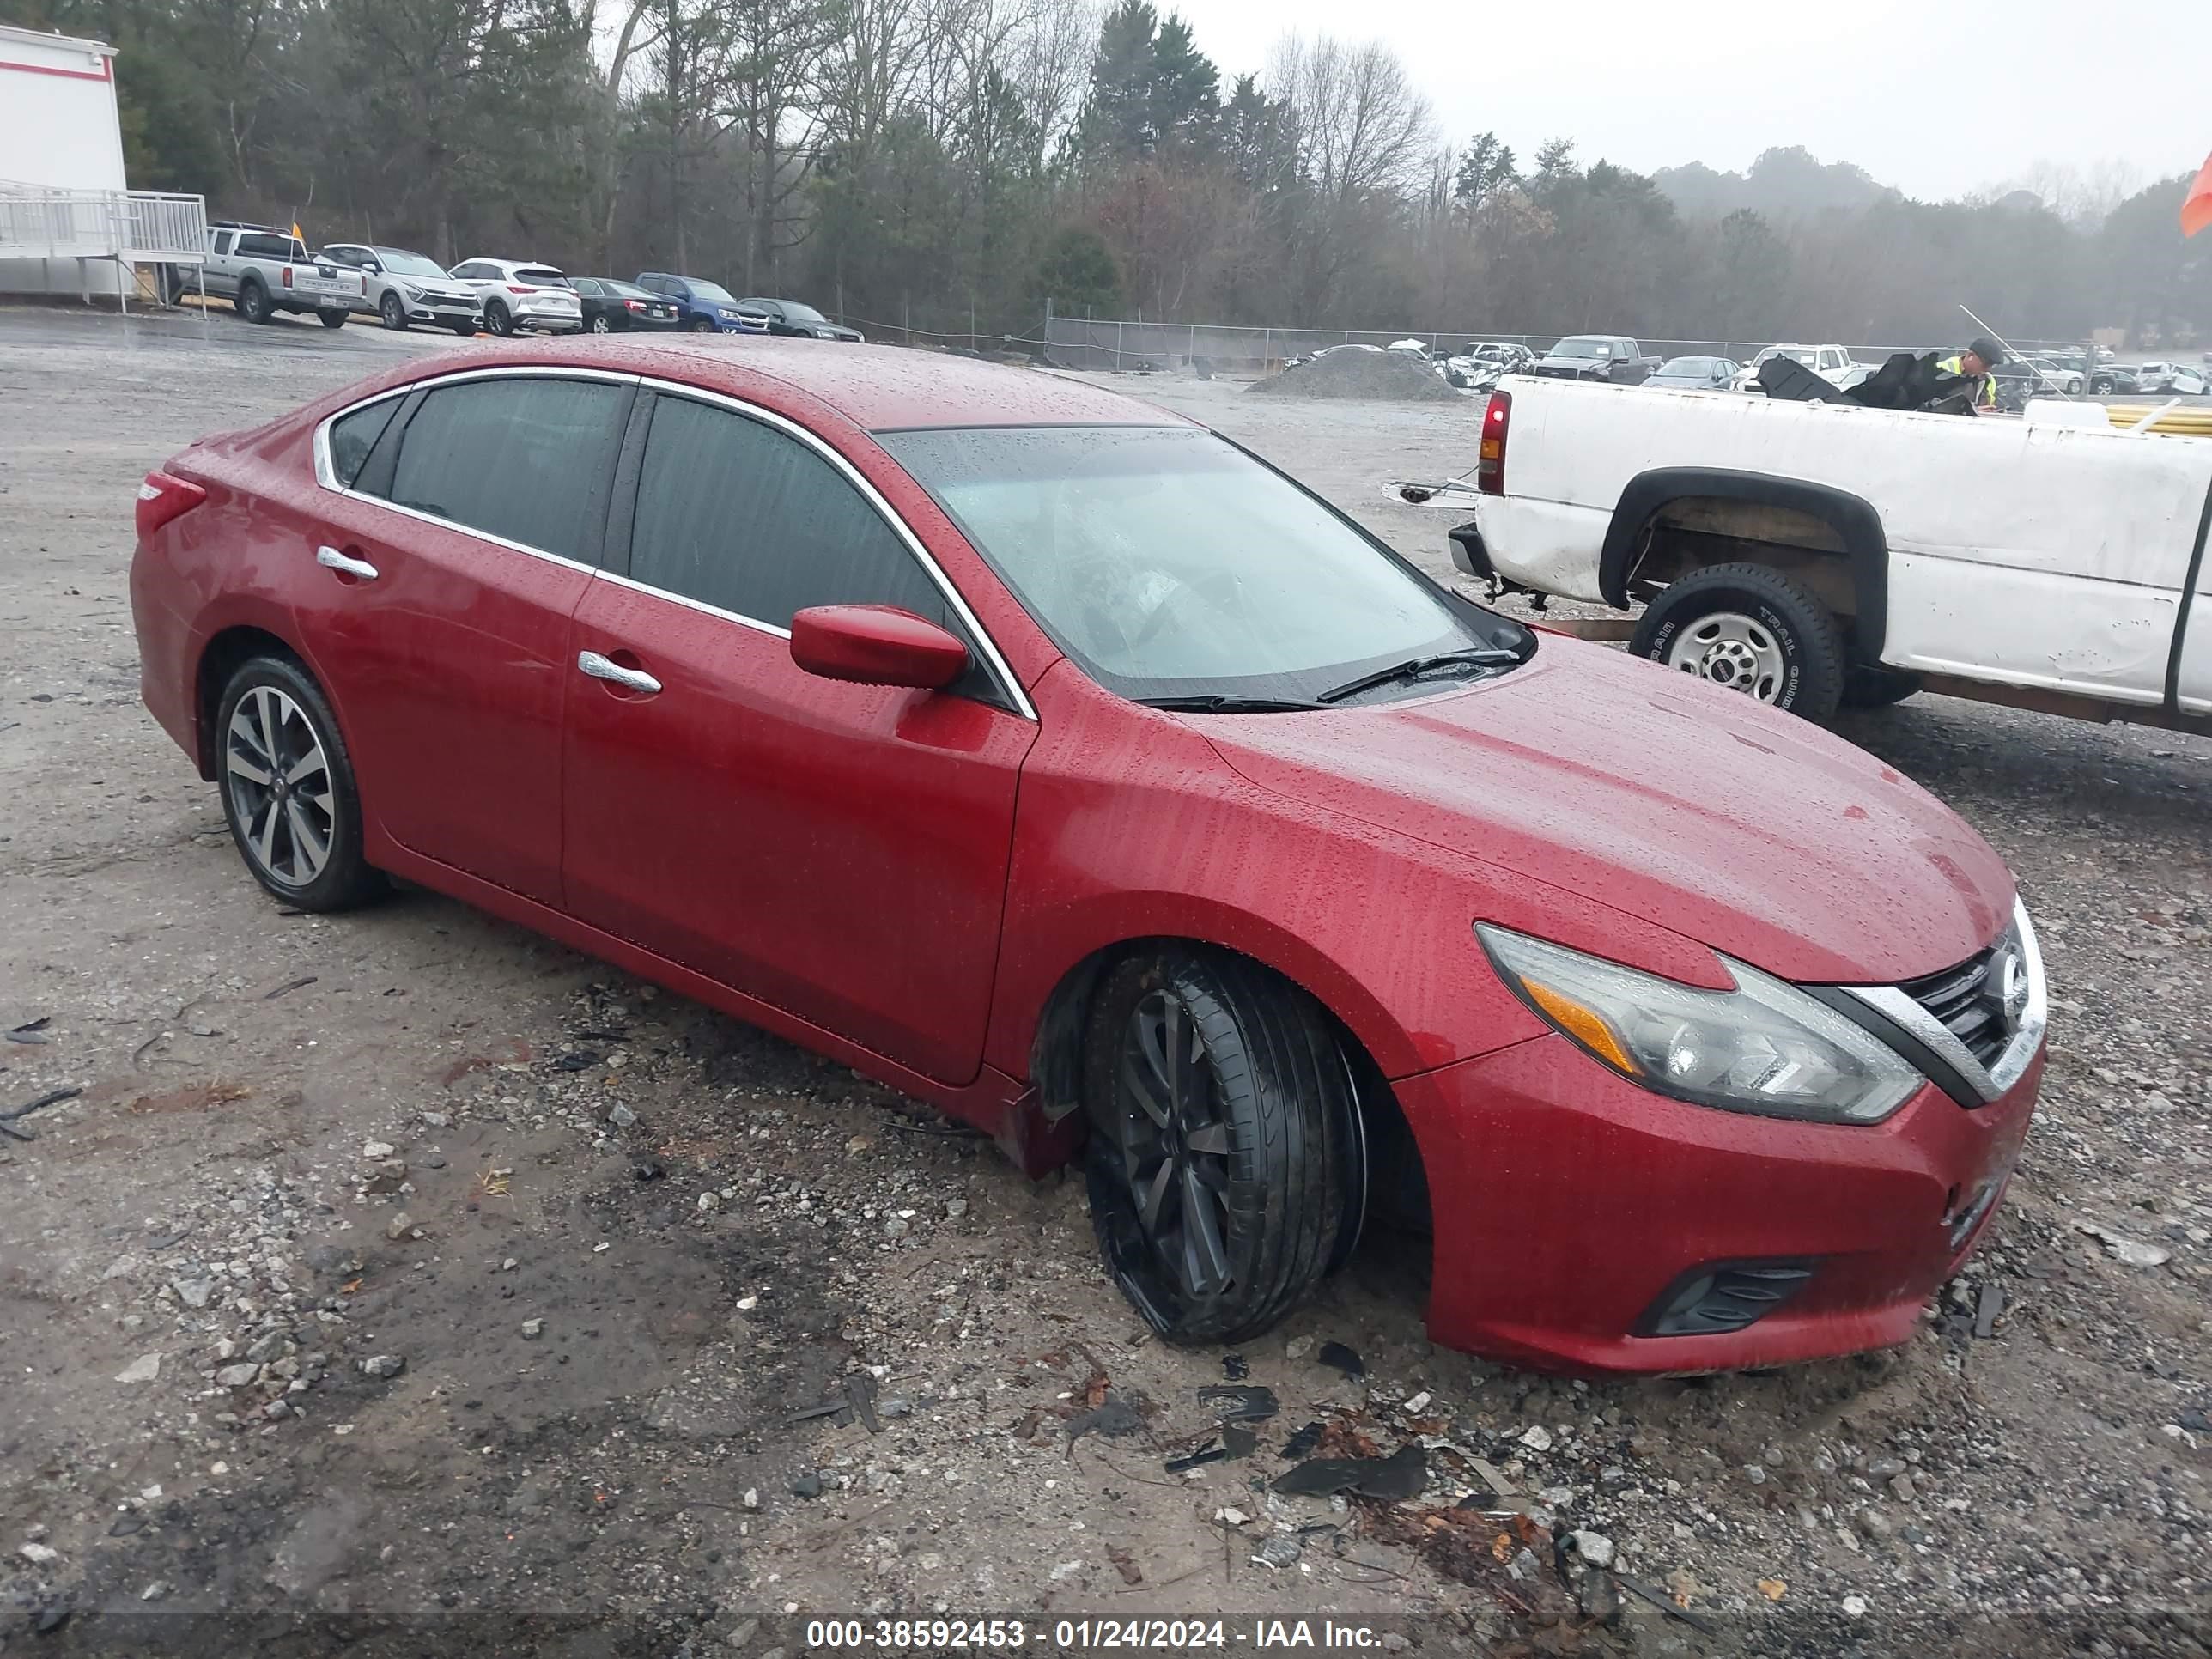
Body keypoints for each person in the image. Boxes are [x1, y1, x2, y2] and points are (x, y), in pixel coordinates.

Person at [1936, 337, 2004, 411]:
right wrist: (1972, 411)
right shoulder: (1938, 372)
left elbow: (1993, 405)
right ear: (1970, 355)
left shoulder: (1988, 380)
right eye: (1985, 364)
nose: (1988, 370)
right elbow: (1928, 408)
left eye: (1992, 365)